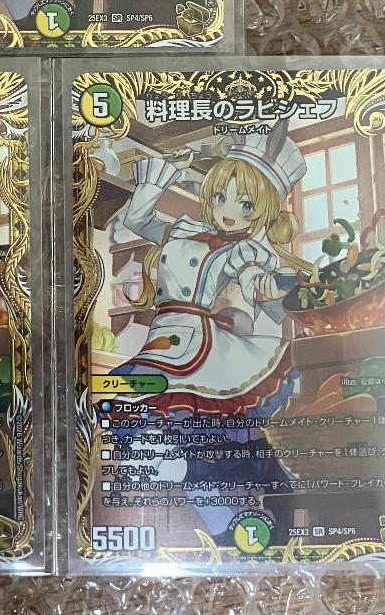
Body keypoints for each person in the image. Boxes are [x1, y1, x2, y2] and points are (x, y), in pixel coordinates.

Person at [110, 118, 308, 544]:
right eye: (220, 196)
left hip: (199, 342)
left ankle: (248, 520)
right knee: (132, 401)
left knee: (206, 435)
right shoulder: (183, 231)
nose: (227, 210)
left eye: (246, 205)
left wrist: (265, 288)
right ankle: (238, 512)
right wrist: (163, 173)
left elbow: (252, 276)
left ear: (265, 210)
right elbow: (137, 218)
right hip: (165, 338)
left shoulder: (245, 250)